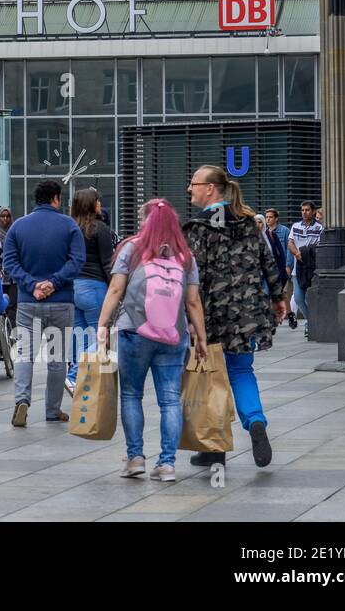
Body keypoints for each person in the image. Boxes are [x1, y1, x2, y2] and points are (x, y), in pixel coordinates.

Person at [97, 199, 208, 482]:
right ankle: (167, 464)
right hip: (173, 335)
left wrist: (102, 325)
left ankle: (135, 458)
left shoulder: (132, 249)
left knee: (132, 394)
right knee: (170, 399)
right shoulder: (185, 256)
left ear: (145, 221)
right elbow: (193, 302)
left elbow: (115, 289)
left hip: (135, 331)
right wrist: (201, 339)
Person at [184, 166, 287, 470]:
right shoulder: (249, 223)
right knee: (242, 372)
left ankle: (214, 450)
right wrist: (279, 298)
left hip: (212, 314)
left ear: (211, 189)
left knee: (210, 377)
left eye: (194, 184)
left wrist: (190, 318)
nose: (190, 189)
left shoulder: (197, 228)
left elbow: (193, 278)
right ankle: (255, 421)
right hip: (246, 314)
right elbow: (269, 263)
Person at [2, 179, 84, 427]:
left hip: (28, 303)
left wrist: (32, 285)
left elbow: (9, 263)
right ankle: (52, 409)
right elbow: (77, 260)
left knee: (25, 354)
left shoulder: (18, 227)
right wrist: (54, 282)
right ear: (56, 198)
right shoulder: (70, 226)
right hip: (61, 302)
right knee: (57, 359)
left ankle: (22, 401)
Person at [67, 188, 115, 395]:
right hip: (94, 287)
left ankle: (76, 378)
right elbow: (107, 263)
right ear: (91, 204)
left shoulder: (69, 227)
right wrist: (116, 289)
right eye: (97, 201)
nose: (100, 204)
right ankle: (73, 375)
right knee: (100, 336)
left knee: (81, 337)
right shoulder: (100, 228)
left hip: (73, 288)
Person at [287, 200, 323, 339]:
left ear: (313, 211)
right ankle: (311, 320)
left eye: (307, 210)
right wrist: (296, 253)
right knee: (298, 297)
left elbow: (319, 244)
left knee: (310, 298)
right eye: (302, 210)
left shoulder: (320, 228)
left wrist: (306, 253)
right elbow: (290, 242)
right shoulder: (296, 226)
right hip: (298, 268)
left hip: (312, 267)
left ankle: (311, 323)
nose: (304, 212)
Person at [262, 208, 292, 328]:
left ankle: (288, 314)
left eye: (270, 217)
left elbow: (288, 249)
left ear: (276, 218)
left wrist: (288, 266)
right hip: (268, 270)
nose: (268, 219)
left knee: (281, 293)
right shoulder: (265, 233)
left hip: (281, 268)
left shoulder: (284, 231)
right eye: (266, 217)